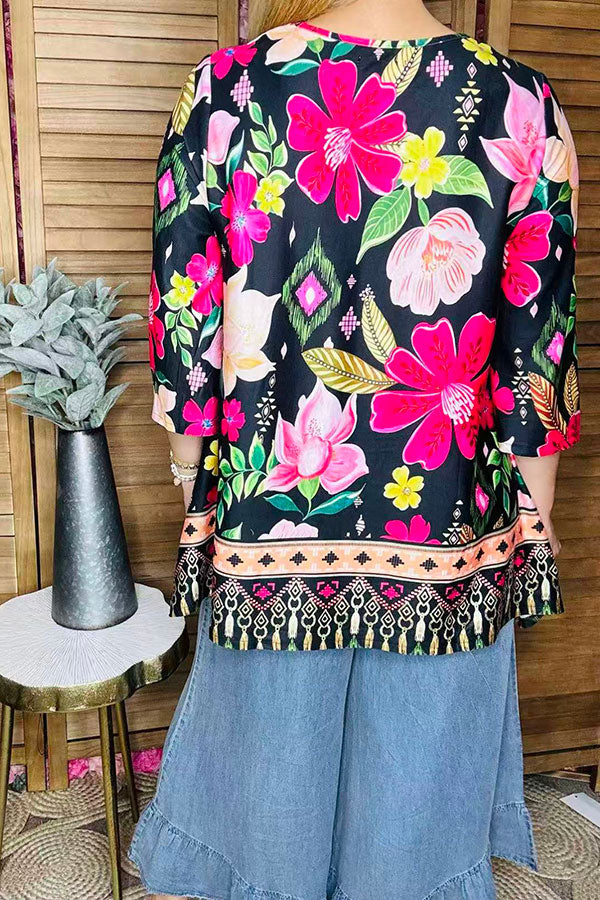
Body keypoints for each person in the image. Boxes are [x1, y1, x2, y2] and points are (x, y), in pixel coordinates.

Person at [128, 0, 580, 897]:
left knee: (272, 791)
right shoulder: (523, 102)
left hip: (267, 517)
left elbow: (186, 332)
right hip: (448, 524)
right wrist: (539, 515)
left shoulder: (223, 91)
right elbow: (541, 354)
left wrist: (191, 478)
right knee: (417, 805)